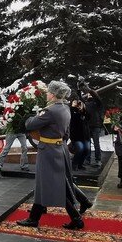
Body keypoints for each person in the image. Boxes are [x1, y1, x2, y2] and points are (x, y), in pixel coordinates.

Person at [17, 81, 84, 230]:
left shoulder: (51, 111)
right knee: (50, 183)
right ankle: (35, 216)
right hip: (59, 148)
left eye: (48, 92)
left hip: (48, 151)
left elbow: (30, 125)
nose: (47, 94)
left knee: (52, 184)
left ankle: (76, 218)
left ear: (53, 95)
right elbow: (66, 133)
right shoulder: (65, 108)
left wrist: (28, 117)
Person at [79, 82, 104, 167]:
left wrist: (89, 90)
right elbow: (79, 99)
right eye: (88, 94)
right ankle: (87, 159)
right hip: (87, 126)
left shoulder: (98, 103)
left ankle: (98, 160)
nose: (89, 95)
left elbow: (97, 98)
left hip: (96, 126)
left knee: (96, 144)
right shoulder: (85, 104)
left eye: (90, 95)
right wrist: (79, 89)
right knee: (87, 144)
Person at [69, 98, 91, 171]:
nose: (77, 104)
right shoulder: (71, 111)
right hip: (76, 136)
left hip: (85, 135)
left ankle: (80, 164)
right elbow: (72, 117)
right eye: (74, 102)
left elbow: (88, 117)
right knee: (80, 149)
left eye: (78, 102)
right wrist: (73, 107)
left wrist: (83, 108)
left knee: (86, 150)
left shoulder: (83, 112)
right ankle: (74, 164)